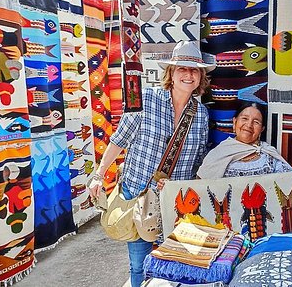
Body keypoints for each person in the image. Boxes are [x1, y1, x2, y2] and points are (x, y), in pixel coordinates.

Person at [88, 40, 215, 287]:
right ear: (170, 73)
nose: (188, 75)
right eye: (182, 69)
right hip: (138, 194)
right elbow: (119, 140)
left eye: (194, 70)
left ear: (200, 77)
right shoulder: (144, 98)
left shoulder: (201, 114)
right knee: (140, 264)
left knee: (173, 261)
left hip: (174, 202)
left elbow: (199, 159)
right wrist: (98, 175)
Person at [196, 101, 292, 179]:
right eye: (244, 118)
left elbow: (291, 182)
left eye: (256, 122)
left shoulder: (269, 154)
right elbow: (201, 189)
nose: (249, 125)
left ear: (262, 129)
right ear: (235, 122)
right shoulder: (218, 154)